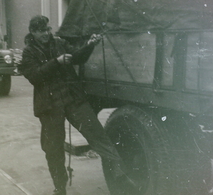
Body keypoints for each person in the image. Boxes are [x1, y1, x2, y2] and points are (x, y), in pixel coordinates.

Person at [20, 15, 133, 195]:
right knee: (53, 150)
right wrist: (56, 62)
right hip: (49, 106)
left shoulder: (58, 43)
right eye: (42, 31)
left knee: (98, 135)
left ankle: (122, 176)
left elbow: (78, 58)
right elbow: (34, 76)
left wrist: (90, 45)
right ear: (33, 32)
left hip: (73, 100)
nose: (47, 33)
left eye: (48, 29)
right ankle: (60, 187)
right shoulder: (28, 52)